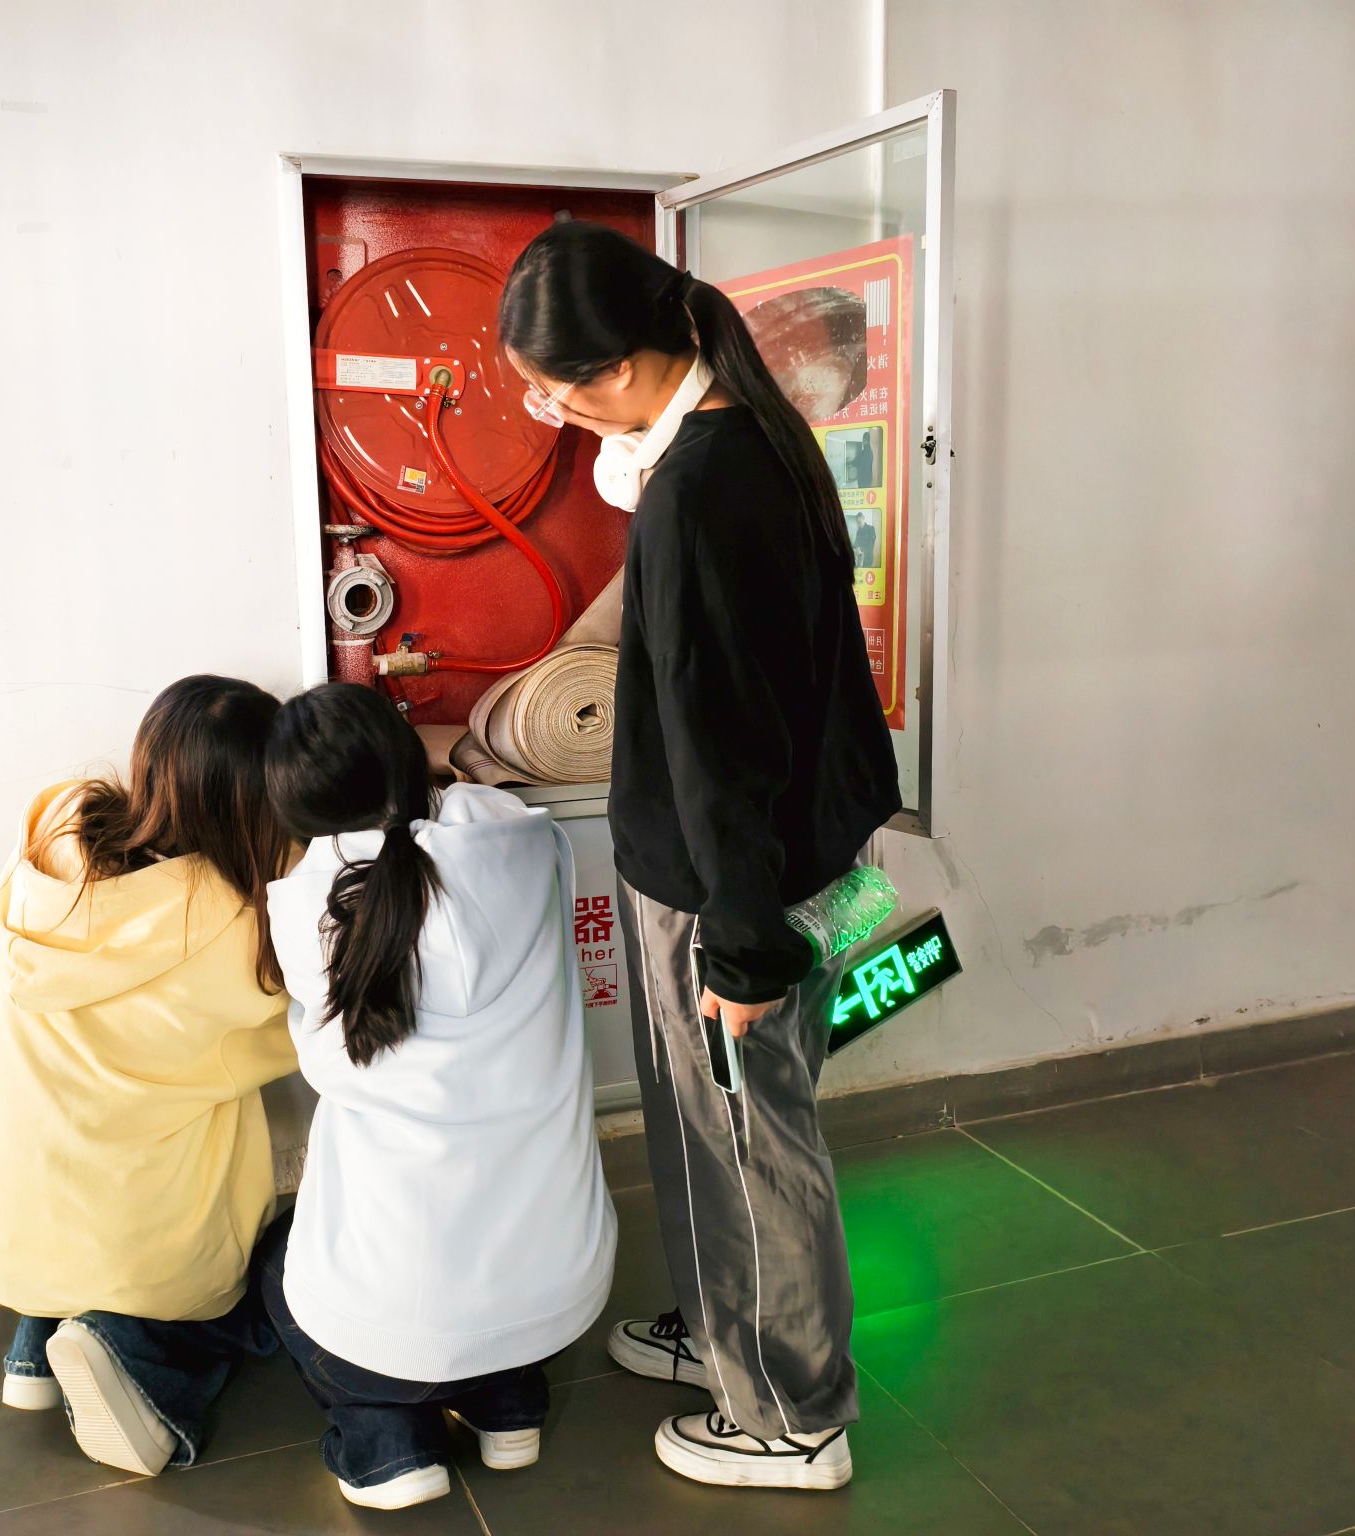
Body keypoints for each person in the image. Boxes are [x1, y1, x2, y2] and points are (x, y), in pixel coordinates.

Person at [498, 221, 901, 1492]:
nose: (552, 415)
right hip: (769, 857)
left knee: (744, 1131)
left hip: (735, 885)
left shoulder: (698, 491)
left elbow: (720, 738)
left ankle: (787, 1408)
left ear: (620, 369)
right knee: (708, 1122)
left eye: (555, 393)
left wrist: (738, 942)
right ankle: (728, 1329)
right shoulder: (748, 433)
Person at [257, 682, 617, 1512]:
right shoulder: (522, 841)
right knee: (487, 1241)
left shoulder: (308, 904)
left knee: (281, 1267)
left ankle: (386, 1446)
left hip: (402, 1311)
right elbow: (461, 799)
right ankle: (509, 1403)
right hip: (558, 1291)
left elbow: (324, 1061)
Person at [0, 675, 298, 1477]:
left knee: (73, 1206)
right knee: (246, 1297)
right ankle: (134, 1358)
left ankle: (34, 1346)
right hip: (146, 1254)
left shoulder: (55, 835)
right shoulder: (235, 920)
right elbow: (306, 1040)